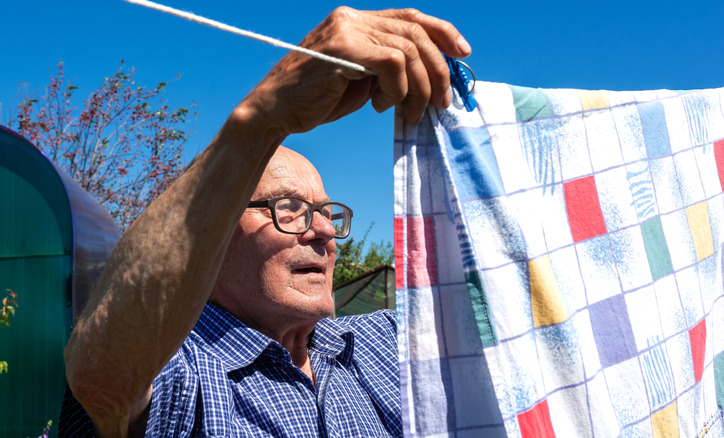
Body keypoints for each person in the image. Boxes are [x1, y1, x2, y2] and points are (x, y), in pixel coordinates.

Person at [61, 7, 471, 437]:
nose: (325, 232)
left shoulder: (387, 343)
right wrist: (263, 117)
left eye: (326, 213)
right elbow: (102, 379)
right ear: (212, 236)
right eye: (288, 208)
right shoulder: (183, 372)